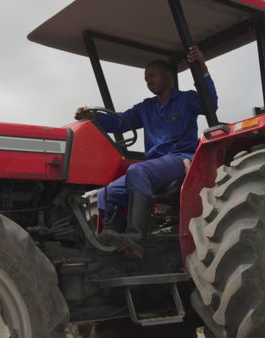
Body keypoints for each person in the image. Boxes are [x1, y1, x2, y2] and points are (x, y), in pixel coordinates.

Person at [75, 46, 217, 258]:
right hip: (155, 165)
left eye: (152, 75)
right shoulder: (146, 107)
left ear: (167, 76)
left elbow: (211, 104)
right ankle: (113, 239)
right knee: (106, 194)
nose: (148, 81)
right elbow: (119, 122)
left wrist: (202, 67)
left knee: (137, 172)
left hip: (181, 159)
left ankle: (135, 239)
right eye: (145, 78)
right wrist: (93, 117)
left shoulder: (186, 99)